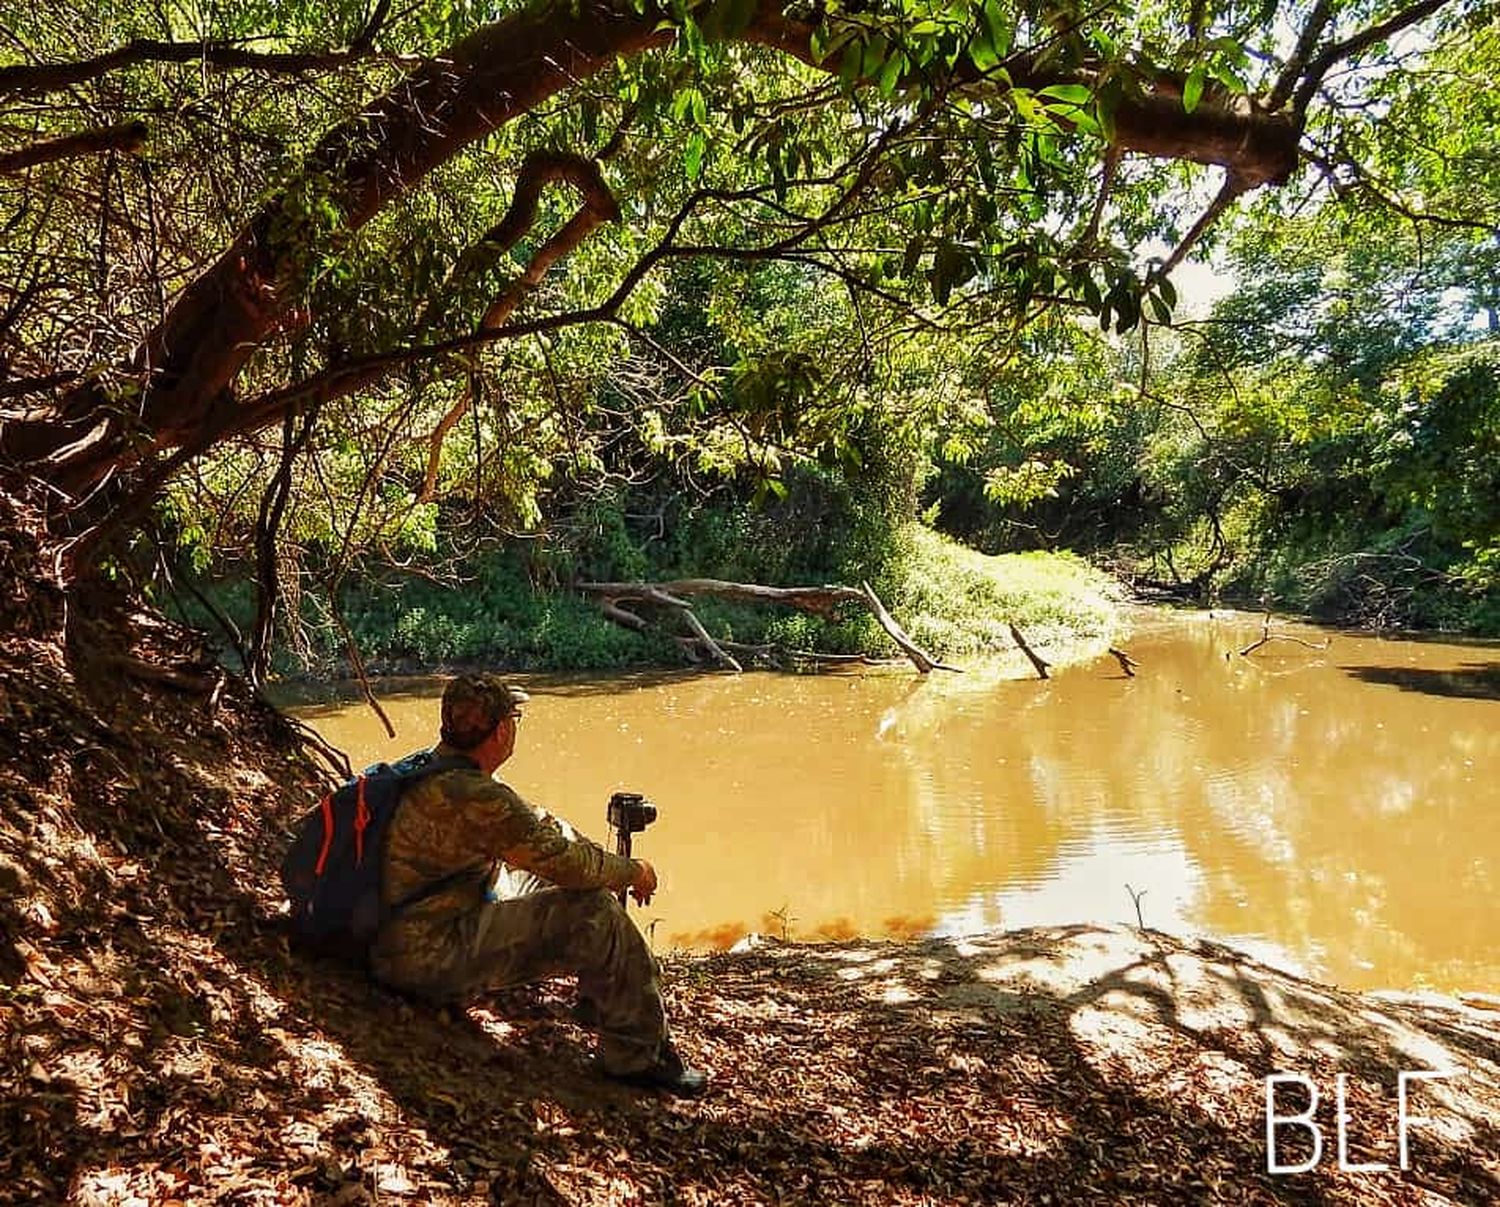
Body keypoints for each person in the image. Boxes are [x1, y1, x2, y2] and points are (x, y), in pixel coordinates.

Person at [367, 672, 708, 1097]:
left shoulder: (431, 769)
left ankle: (597, 997)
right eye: (512, 721)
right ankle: (639, 1055)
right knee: (594, 911)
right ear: (501, 731)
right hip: (427, 957)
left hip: (398, 936)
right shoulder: (478, 797)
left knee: (543, 876)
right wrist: (633, 870)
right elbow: (566, 864)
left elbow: (537, 832)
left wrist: (588, 855)